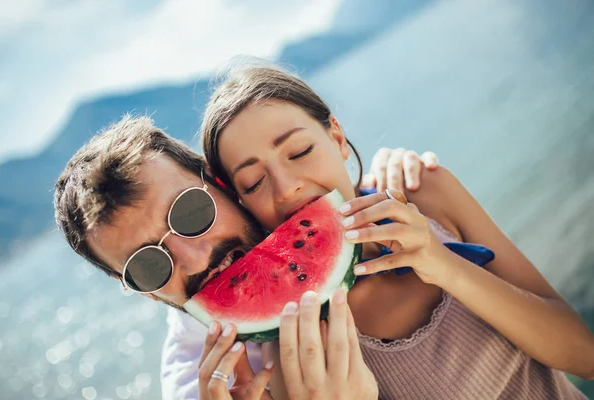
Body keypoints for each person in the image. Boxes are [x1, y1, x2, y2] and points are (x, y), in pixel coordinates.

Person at [199, 63, 594, 399]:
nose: (287, 188)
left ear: (336, 138)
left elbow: (585, 356)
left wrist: (443, 265)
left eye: (300, 152)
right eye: (252, 183)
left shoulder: (426, 191)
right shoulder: (295, 339)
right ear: (243, 204)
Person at [53, 116, 436, 399]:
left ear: (220, 184)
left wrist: (396, 174)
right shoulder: (195, 387)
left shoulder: (387, 210)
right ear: (144, 292)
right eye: (148, 265)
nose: (197, 258)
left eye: (190, 212)